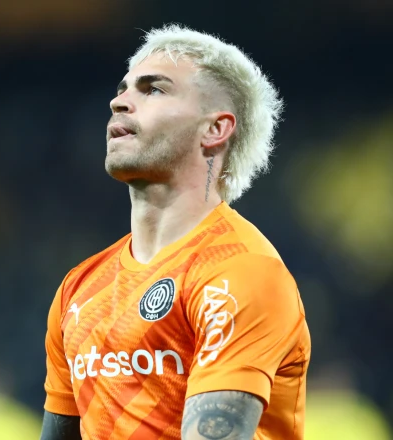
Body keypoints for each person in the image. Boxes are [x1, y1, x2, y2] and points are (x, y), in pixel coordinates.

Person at [40, 24, 311, 440]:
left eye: (153, 89)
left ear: (215, 129)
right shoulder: (79, 289)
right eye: (122, 89)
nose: (118, 101)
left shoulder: (241, 272)